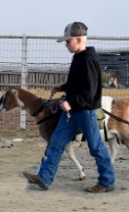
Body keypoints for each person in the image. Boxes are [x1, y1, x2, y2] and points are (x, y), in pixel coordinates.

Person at [23, 22, 115, 192]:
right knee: (57, 141)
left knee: (95, 147)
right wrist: (63, 87)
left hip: (85, 111)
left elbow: (89, 91)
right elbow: (78, 84)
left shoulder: (87, 61)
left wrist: (70, 102)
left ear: (79, 39)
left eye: (68, 41)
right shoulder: (79, 57)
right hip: (72, 111)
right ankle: (44, 178)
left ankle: (107, 182)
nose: (65, 45)